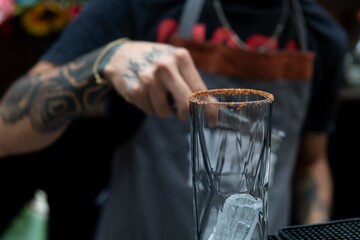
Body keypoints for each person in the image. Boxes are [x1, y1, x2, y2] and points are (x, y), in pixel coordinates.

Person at [0, 0, 348, 239]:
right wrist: (104, 59)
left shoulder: (323, 38)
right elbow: (6, 130)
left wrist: (314, 228)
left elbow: (311, 160)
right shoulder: (142, 6)